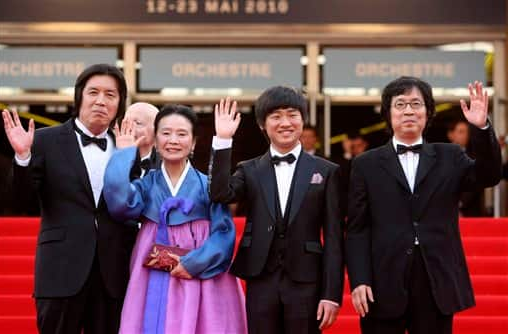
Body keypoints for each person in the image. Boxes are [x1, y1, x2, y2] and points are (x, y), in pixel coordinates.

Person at [345, 77, 502, 334]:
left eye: (416, 103)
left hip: (435, 276)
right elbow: (357, 228)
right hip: (383, 278)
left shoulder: (450, 156)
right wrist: (359, 279)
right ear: (388, 113)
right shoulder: (366, 164)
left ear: (428, 113)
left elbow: (489, 175)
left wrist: (482, 128)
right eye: (401, 104)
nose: (408, 110)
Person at [1, 64, 138, 334]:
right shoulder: (43, 141)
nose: (101, 100)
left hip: (114, 274)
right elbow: (20, 202)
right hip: (60, 270)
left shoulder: (127, 146)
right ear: (79, 97)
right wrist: (22, 158)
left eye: (110, 95)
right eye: (93, 92)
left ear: (120, 103)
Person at [209, 87, 344, 333]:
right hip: (261, 277)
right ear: (263, 124)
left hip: (307, 279)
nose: (285, 123)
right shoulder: (249, 169)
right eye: (276, 116)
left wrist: (331, 294)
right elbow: (219, 194)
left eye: (292, 114)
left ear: (302, 120)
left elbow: (334, 237)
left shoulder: (327, 171)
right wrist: (223, 140)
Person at [103, 104, 247, 334]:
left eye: (182, 134)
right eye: (166, 133)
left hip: (201, 276)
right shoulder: (148, 184)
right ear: (156, 140)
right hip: (151, 275)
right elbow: (120, 205)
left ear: (193, 143)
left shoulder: (208, 187)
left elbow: (224, 234)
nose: (173, 140)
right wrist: (123, 155)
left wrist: (193, 263)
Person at [447, 119, 485, 216]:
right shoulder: (441, 157)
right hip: (446, 214)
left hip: (471, 213)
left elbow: (476, 183)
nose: (464, 135)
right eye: (460, 132)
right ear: (450, 135)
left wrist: (460, 204)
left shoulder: (475, 157)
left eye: (466, 132)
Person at [121, 102, 160, 180]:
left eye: (138, 123)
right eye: (126, 122)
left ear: (156, 130)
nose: (130, 128)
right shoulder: (111, 158)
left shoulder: (165, 164)